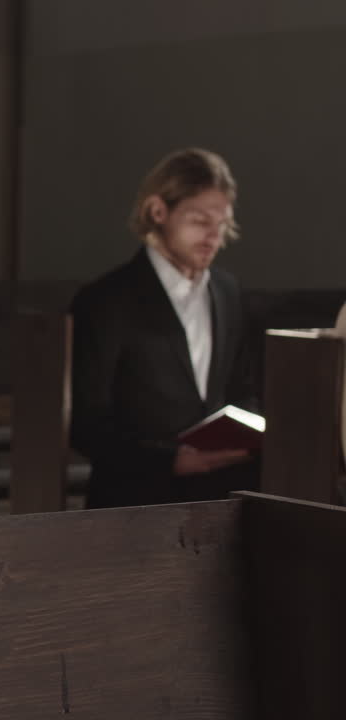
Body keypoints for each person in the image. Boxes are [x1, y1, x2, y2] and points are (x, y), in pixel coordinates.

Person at [70, 148, 259, 509]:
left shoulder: (227, 291)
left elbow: (242, 390)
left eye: (221, 225)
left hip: (220, 493)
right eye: (200, 221)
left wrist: (246, 433)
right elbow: (86, 421)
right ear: (158, 212)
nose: (213, 237)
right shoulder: (107, 299)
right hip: (134, 497)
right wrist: (170, 460)